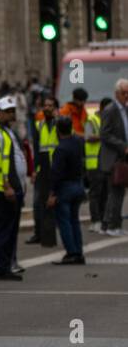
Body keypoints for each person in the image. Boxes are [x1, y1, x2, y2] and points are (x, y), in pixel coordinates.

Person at [0, 97, 25, 281]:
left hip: (15, 186)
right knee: (3, 230)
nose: (11, 113)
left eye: (13, 110)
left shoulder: (10, 132)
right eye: (7, 111)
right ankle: (1, 267)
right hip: (4, 188)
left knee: (10, 230)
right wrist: (6, 185)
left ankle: (6, 265)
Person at [49, 115, 87, 264]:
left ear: (58, 130)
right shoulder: (77, 142)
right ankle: (78, 252)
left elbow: (56, 173)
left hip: (65, 188)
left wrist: (52, 193)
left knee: (64, 222)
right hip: (78, 184)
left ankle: (71, 252)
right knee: (74, 221)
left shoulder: (60, 149)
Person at [95, 78, 128, 236]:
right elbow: (104, 134)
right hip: (113, 157)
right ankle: (110, 225)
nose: (127, 95)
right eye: (124, 93)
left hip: (122, 158)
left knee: (119, 191)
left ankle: (113, 224)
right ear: (117, 94)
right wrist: (123, 145)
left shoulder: (125, 109)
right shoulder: (110, 110)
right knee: (114, 192)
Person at [28, 94, 59, 246]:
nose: (47, 108)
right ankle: (39, 233)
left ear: (55, 108)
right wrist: (34, 170)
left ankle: (50, 234)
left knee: (54, 202)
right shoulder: (39, 125)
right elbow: (37, 150)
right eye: (45, 105)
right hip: (43, 168)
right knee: (37, 202)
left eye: (50, 105)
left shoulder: (60, 124)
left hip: (56, 168)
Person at [86, 97, 108, 231]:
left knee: (105, 193)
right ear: (101, 108)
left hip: (105, 163)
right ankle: (95, 221)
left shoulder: (107, 121)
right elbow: (88, 137)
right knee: (95, 193)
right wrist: (104, 136)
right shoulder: (91, 120)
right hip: (93, 163)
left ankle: (103, 219)